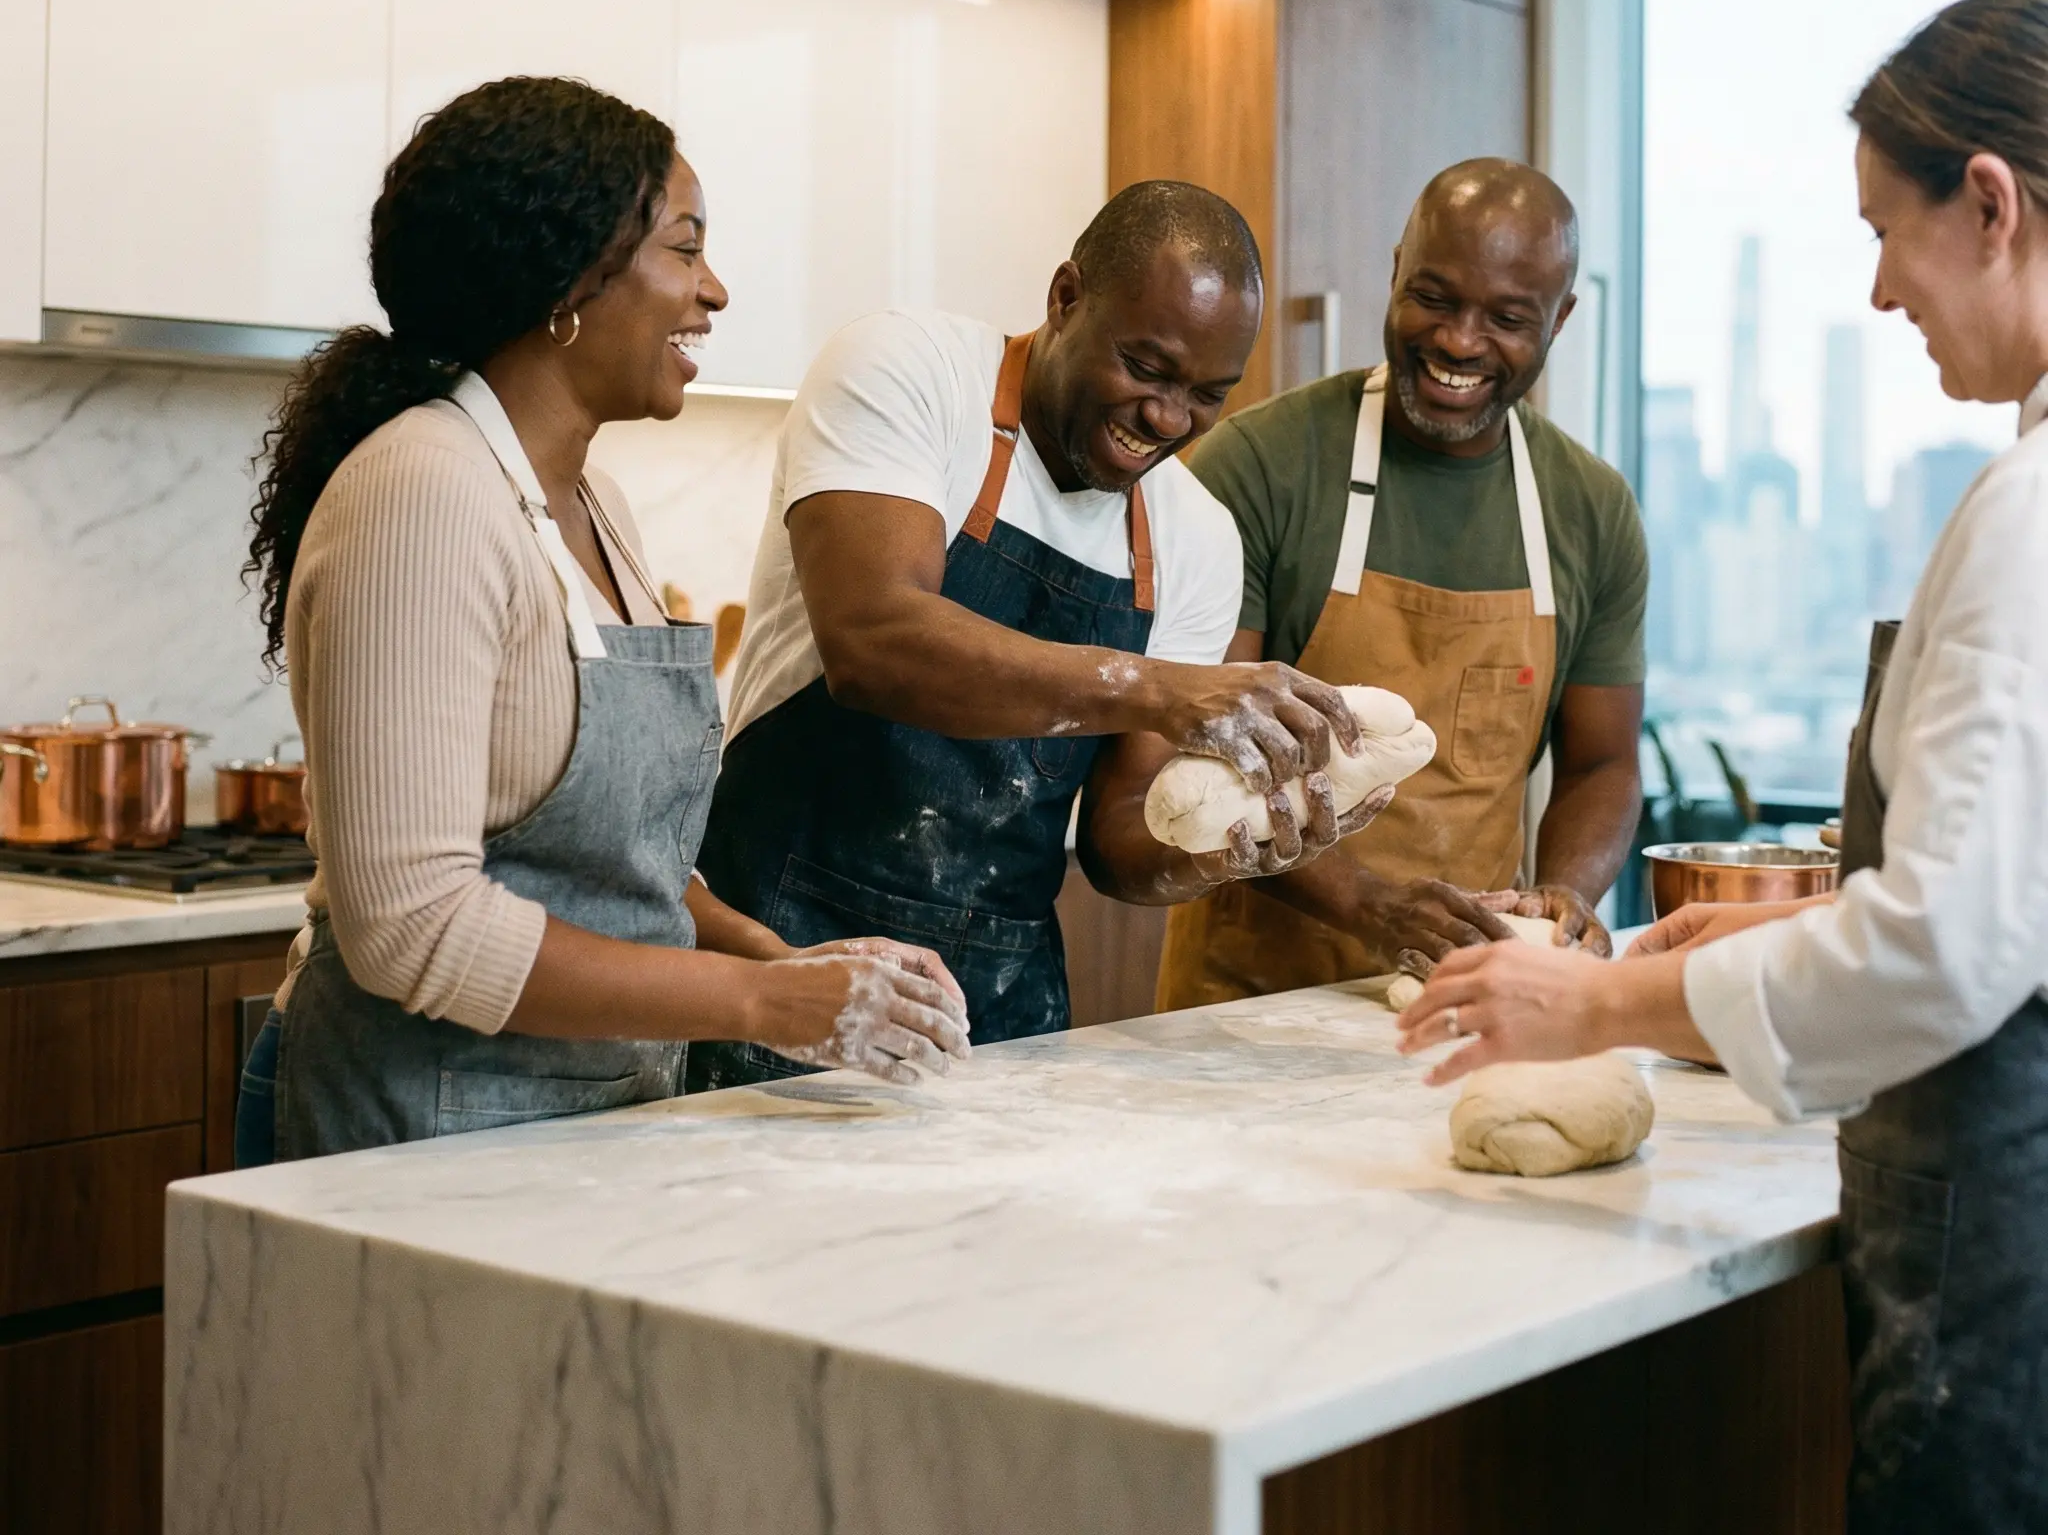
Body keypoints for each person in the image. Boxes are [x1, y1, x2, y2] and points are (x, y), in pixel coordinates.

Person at [1397, 0, 2048, 1533]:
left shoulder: (2030, 519)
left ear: (1993, 204)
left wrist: (1602, 998)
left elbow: (1952, 945)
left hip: (2005, 1256)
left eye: (1888, 232)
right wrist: (1792, 927)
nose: (1883, 291)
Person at [234, 77, 968, 1165]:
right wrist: (761, 1005)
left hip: (587, 1118)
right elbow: (412, 923)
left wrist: (781, 963)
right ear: (568, 280)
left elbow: (615, 858)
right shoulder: (423, 491)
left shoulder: (594, 508)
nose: (712, 289)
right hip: (410, 1130)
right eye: (683, 247)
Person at [687, 181, 1392, 1088]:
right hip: (780, 955)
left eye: (1206, 395)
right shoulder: (910, 371)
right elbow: (875, 643)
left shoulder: (1195, 537)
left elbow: (1117, 842)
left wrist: (1223, 850)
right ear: (1065, 297)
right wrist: (1164, 688)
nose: (1169, 420)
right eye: (1145, 367)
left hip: (1005, 1005)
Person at [1156, 160, 1649, 1010]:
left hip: (1470, 999)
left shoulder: (1589, 509)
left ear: (1560, 320)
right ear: (1393, 274)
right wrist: (1371, 908)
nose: (1459, 341)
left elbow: (1602, 763)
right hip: (1245, 1014)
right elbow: (1204, 750)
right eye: (1434, 297)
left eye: (1506, 318)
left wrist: (1566, 895)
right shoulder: (1263, 465)